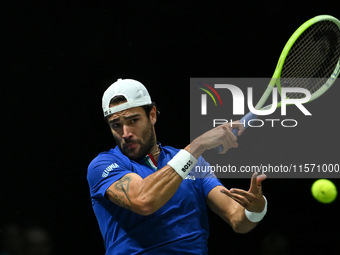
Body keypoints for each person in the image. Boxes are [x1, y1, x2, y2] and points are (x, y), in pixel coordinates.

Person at [87, 78, 267, 254]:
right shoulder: (103, 165)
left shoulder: (196, 165)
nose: (125, 133)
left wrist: (256, 210)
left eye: (133, 120)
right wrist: (198, 145)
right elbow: (144, 201)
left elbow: (237, 218)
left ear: (152, 115)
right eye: (116, 125)